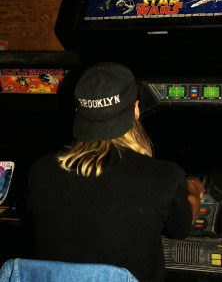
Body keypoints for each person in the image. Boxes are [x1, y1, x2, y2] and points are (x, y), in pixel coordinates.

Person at [28, 62, 205, 282]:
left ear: (78, 111)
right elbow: (182, 226)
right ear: (136, 109)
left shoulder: (40, 171)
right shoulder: (161, 176)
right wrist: (195, 188)